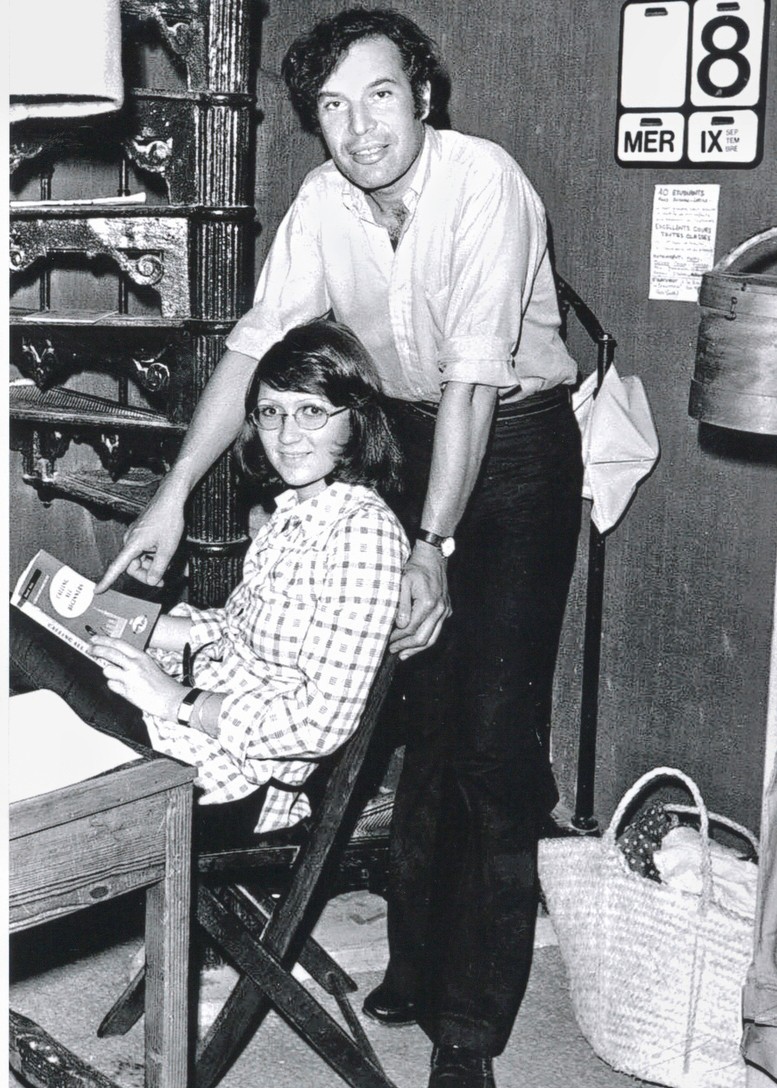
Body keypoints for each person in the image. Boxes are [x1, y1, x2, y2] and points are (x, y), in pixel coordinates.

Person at [96, 11, 583, 1087]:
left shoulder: (485, 185)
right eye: (331, 107)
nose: (358, 128)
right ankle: (411, 959)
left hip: (512, 451)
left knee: (493, 731)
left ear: (422, 92)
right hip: (409, 434)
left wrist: (434, 544)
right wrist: (174, 494)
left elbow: (472, 385)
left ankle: (471, 1026)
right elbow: (256, 347)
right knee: (406, 706)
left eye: (378, 96)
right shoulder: (325, 201)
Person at [11, 320, 409, 845]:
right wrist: (119, 623)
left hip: (225, 781)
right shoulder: (294, 515)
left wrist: (175, 699)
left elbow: (322, 724)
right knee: (28, 634)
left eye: (311, 412)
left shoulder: (364, 534)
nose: (287, 436)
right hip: (183, 726)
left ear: (355, 421)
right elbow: (234, 632)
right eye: (271, 412)